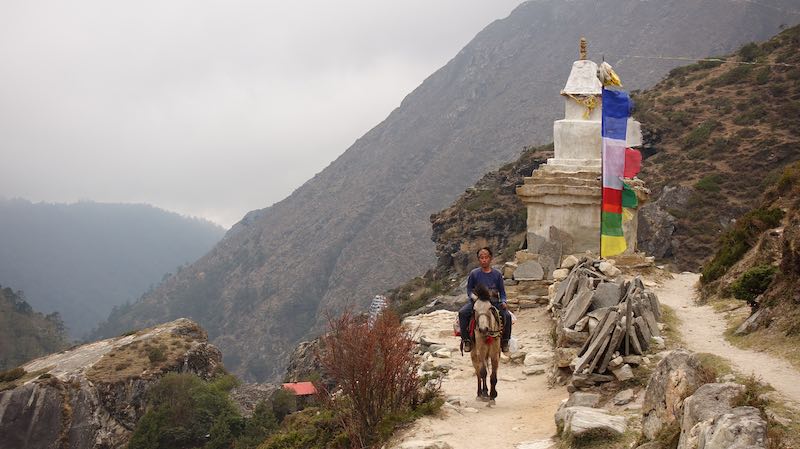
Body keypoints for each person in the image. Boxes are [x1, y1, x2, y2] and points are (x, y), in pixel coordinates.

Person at [459, 247, 512, 353]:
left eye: (486, 257)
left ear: (490, 258)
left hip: (493, 301)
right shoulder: (474, 274)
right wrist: (474, 298)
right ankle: (466, 340)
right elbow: (469, 290)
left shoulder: (497, 274)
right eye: (481, 258)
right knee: (462, 313)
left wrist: (503, 301)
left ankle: (505, 341)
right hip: (478, 301)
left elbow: (502, 291)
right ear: (478, 259)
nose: (484, 260)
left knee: (507, 316)